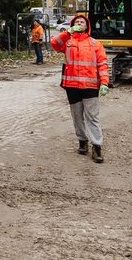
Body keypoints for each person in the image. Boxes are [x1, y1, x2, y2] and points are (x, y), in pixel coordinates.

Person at [50, 13, 110, 163]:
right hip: (72, 86)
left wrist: (104, 83)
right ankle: (82, 142)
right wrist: (66, 33)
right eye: (77, 22)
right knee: (77, 117)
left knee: (92, 117)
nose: (80, 23)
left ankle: (97, 146)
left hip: (90, 86)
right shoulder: (67, 42)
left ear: (87, 26)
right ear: (72, 25)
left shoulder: (95, 44)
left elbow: (102, 64)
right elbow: (54, 44)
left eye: (82, 22)